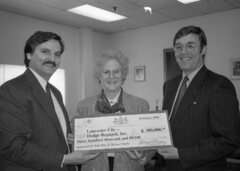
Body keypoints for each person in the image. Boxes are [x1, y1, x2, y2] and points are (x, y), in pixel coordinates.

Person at [0, 31, 99, 171]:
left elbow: (54, 133)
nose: (52, 59)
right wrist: (65, 159)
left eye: (57, 54)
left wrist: (72, 138)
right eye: (45, 52)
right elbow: (14, 146)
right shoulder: (11, 90)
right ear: (28, 54)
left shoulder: (55, 92)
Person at [157, 25, 240, 171]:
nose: (183, 52)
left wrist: (182, 154)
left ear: (203, 49)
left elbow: (229, 140)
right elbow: (170, 126)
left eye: (190, 46)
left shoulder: (219, 85)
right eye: (178, 47)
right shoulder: (169, 86)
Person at [76, 50, 154, 171]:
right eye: (106, 72)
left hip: (130, 166)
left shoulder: (141, 105)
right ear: (99, 76)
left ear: (123, 75)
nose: (111, 76)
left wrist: (144, 156)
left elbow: (152, 142)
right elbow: (77, 145)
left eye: (116, 72)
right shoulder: (84, 107)